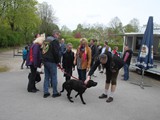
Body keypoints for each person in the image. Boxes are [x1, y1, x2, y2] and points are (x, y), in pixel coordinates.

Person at [42, 31, 61, 98]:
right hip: (52, 61)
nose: (58, 36)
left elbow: (43, 51)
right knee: (54, 77)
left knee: (46, 77)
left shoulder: (45, 41)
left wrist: (43, 60)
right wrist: (58, 62)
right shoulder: (54, 41)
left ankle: (46, 92)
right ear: (55, 34)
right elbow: (56, 53)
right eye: (58, 35)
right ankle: (55, 92)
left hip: (45, 61)